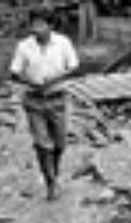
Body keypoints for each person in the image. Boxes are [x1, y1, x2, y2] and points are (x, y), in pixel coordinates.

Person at [8, 12, 79, 200]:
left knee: (60, 143)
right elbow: (14, 72)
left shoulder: (63, 43)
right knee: (42, 143)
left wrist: (54, 79)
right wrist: (30, 81)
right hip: (34, 99)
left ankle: (53, 171)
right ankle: (50, 182)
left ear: (50, 26)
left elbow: (73, 66)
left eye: (40, 24)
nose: (36, 29)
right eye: (33, 24)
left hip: (58, 97)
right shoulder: (24, 46)